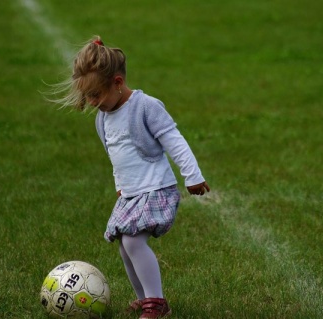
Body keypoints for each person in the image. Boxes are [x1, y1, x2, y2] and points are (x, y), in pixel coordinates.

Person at [54, 35, 210, 319]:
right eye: (87, 97)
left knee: (134, 243)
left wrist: (192, 176)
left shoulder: (145, 106)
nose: (92, 102)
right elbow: (116, 158)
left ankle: (157, 303)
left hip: (157, 189)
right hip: (131, 194)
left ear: (117, 82)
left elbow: (175, 140)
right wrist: (120, 186)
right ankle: (145, 300)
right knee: (126, 248)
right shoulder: (102, 119)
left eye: (96, 95)